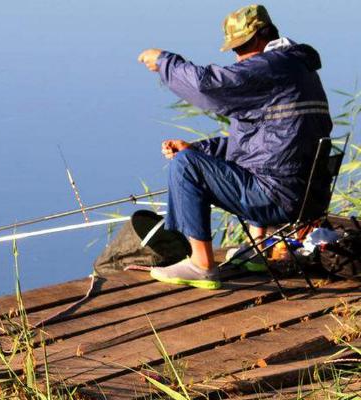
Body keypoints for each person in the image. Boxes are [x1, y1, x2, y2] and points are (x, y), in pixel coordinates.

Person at [137, 4, 332, 289]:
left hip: (277, 197)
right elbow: (263, 142)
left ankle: (202, 265)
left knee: (184, 166)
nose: (238, 58)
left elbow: (208, 86)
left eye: (241, 48)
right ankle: (260, 248)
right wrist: (199, 148)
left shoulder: (271, 66)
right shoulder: (298, 69)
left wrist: (166, 62)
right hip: (306, 198)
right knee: (194, 157)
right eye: (234, 50)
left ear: (261, 37)